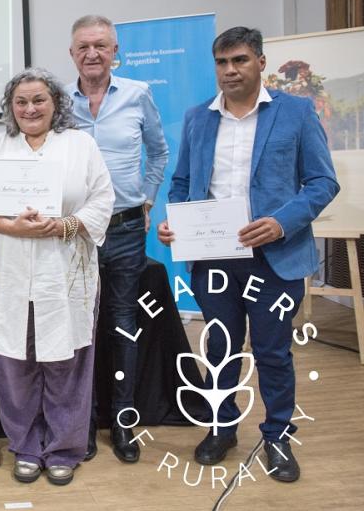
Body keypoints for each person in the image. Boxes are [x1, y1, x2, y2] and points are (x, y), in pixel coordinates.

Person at [157, 27, 339, 483]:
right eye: (221, 62)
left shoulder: (296, 113)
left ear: (260, 61)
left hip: (275, 257)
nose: (230, 70)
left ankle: (278, 436)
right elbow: (182, 184)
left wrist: (281, 221)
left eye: (239, 60)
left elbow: (322, 182)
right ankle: (222, 429)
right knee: (219, 349)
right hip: (214, 259)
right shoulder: (199, 117)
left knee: (273, 351)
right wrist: (173, 222)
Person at [0, 67, 114, 486]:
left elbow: (103, 198)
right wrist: (12, 226)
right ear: (11, 108)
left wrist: (64, 226)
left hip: (64, 272)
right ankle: (26, 447)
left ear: (56, 104)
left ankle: (65, 448)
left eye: (39, 100)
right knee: (15, 365)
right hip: (11, 273)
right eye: (21, 102)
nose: (30, 108)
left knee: (67, 362)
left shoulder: (80, 145)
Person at [65, 15, 169, 462]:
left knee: (122, 326)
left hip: (125, 228)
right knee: (76, 330)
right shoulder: (57, 102)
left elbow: (159, 151)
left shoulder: (138, 95)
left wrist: (147, 201)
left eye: (101, 46)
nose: (93, 53)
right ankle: (81, 425)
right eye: (84, 46)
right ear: (72, 53)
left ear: (115, 51)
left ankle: (123, 424)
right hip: (72, 232)